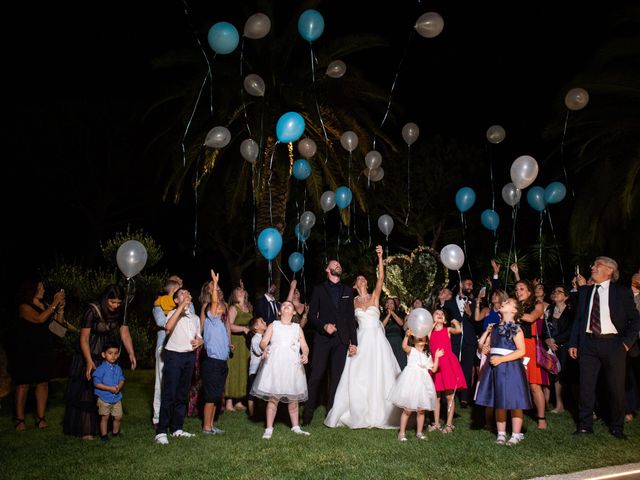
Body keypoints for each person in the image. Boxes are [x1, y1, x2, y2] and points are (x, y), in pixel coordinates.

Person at [325, 245, 402, 429]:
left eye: (363, 278)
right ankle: (358, 411)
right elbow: (347, 322)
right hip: (360, 339)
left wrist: (380, 257)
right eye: (358, 278)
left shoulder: (375, 296)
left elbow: (381, 277)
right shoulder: (352, 302)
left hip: (376, 340)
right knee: (358, 375)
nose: (361, 279)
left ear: (366, 283)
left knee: (380, 373)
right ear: (355, 285)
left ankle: (383, 412)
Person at [569, 257, 640, 439]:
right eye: (593, 264)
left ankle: (617, 427)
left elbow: (635, 319)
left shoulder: (622, 292)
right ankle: (584, 426)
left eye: (597, 265)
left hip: (614, 344)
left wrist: (626, 343)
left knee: (616, 388)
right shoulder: (585, 292)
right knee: (586, 386)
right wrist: (574, 343)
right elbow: (578, 319)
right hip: (588, 343)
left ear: (609, 270)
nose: (592, 267)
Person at [64, 284, 136, 440]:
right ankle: (87, 430)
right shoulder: (92, 309)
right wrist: (89, 361)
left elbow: (124, 332)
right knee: (88, 391)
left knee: (107, 388)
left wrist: (131, 353)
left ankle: (105, 428)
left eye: (118, 302)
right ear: (105, 299)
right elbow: (83, 338)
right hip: (90, 351)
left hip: (108, 351)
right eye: (112, 302)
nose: (116, 306)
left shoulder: (121, 310)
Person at [302, 258, 357, 426]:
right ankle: (307, 415)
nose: (338, 265)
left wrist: (354, 342)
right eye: (334, 264)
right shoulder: (319, 289)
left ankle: (331, 415)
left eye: (339, 264)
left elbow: (350, 318)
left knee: (337, 379)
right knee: (317, 375)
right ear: (327, 269)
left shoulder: (348, 290)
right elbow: (311, 316)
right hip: (323, 339)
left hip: (341, 340)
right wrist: (323, 325)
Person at [475, 298, 532, 445]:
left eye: (508, 302)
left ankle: (516, 434)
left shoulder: (516, 328)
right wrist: (486, 349)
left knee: (514, 401)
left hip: (511, 367)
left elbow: (521, 351)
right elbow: (486, 346)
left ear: (514, 310)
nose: (504, 302)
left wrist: (501, 359)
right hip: (495, 368)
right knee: (499, 400)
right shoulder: (494, 328)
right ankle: (501, 433)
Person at [11, 279, 66, 431]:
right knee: (23, 384)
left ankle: (40, 418)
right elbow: (39, 319)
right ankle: (19, 419)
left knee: (43, 382)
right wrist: (55, 302)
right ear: (32, 290)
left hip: (44, 350)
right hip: (26, 351)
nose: (43, 290)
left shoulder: (46, 306)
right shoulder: (24, 307)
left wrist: (60, 309)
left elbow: (58, 329)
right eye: (40, 287)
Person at [250, 301, 310, 439]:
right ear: (279, 312)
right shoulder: (273, 325)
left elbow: (305, 346)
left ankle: (296, 427)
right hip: (275, 363)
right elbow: (263, 342)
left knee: (293, 397)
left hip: (292, 364)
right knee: (273, 397)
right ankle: (269, 428)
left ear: (294, 312)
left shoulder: (297, 328)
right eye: (283, 305)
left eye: (289, 305)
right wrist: (265, 348)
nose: (286, 306)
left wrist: (305, 354)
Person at [154, 287, 204, 445]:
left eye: (188, 292)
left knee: (182, 394)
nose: (187, 294)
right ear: (176, 300)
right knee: (170, 393)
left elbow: (199, 337)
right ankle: (161, 431)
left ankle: (177, 428)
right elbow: (168, 328)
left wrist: (199, 341)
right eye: (182, 293)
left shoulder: (195, 318)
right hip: (174, 356)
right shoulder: (172, 313)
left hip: (189, 356)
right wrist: (181, 307)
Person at [388, 328, 442, 441]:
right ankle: (401, 433)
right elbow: (404, 346)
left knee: (421, 410)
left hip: (423, 383)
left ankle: (419, 432)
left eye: (423, 337)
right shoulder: (411, 350)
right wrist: (407, 336)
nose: (421, 338)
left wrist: (436, 357)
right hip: (410, 381)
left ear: (426, 341)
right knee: (407, 409)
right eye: (418, 337)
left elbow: (435, 368)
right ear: (414, 341)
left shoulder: (428, 355)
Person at [514, 278, 549, 429]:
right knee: (516, 382)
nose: (518, 292)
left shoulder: (538, 304)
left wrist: (512, 312)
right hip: (515, 345)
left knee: (534, 384)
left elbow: (530, 318)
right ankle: (516, 414)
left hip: (529, 346)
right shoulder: (515, 305)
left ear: (529, 291)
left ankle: (541, 418)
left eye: (521, 289)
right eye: (516, 290)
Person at [201, 271, 232, 436]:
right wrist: (214, 282)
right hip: (212, 362)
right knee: (210, 396)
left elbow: (225, 337)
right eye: (217, 306)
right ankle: (206, 427)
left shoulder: (219, 323)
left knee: (216, 395)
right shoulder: (211, 318)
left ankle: (211, 425)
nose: (220, 306)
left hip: (221, 362)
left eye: (220, 306)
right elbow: (213, 301)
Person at [151, 274, 184, 426]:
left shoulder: (185, 304)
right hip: (164, 346)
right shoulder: (159, 304)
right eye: (176, 284)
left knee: (177, 384)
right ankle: (158, 417)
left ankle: (174, 417)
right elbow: (161, 321)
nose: (179, 287)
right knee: (161, 383)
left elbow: (193, 319)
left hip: (181, 348)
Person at [428, 309, 466, 433]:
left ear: (444, 320)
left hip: (447, 364)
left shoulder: (447, 330)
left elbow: (459, 331)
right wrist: (431, 325)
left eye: (442, 314)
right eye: (436, 313)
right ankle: (437, 423)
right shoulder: (429, 333)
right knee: (436, 396)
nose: (439, 315)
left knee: (449, 396)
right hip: (435, 365)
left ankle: (449, 424)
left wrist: (455, 322)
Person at [443, 276, 477, 407]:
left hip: (469, 340)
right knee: (451, 367)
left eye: (472, 286)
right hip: (454, 340)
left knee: (467, 369)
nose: (471, 287)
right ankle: (449, 394)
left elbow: (478, 324)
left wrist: (470, 314)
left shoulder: (474, 303)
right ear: (461, 285)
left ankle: (464, 397)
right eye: (468, 284)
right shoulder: (448, 303)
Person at [224, 282, 252, 413]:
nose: (241, 292)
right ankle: (229, 401)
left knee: (243, 370)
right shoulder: (233, 308)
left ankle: (239, 400)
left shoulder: (248, 307)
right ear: (234, 295)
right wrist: (243, 328)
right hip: (236, 340)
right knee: (234, 369)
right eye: (238, 291)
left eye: (242, 290)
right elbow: (228, 325)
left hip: (245, 343)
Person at [92, 340, 125, 441]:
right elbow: (96, 383)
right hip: (104, 398)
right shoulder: (101, 369)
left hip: (116, 398)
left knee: (118, 417)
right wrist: (109, 388)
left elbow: (122, 379)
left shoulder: (118, 368)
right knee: (105, 417)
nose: (113, 356)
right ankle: (104, 435)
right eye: (110, 353)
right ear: (103, 354)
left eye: (115, 353)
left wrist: (119, 386)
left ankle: (115, 433)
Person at [247, 316, 267, 418]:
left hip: (262, 370)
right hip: (255, 370)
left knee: (261, 392)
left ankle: (259, 413)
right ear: (256, 327)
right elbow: (259, 351)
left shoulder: (263, 337)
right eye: (262, 321)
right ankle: (251, 414)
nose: (265, 322)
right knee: (252, 392)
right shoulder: (255, 339)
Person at [382, 297, 406, 369]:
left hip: (397, 342)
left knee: (400, 363)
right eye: (387, 302)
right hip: (386, 342)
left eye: (391, 303)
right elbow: (381, 326)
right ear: (385, 305)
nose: (389, 304)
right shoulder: (381, 315)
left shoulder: (399, 314)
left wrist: (392, 312)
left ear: (394, 306)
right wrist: (388, 315)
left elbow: (401, 323)